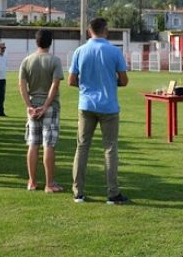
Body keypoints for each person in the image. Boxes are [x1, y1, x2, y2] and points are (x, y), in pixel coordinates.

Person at [69, 17, 129, 205]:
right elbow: (124, 80)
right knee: (110, 148)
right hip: (109, 106)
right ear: (106, 30)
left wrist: (87, 85)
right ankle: (112, 193)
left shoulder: (80, 51)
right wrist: (112, 83)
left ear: (89, 31)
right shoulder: (114, 51)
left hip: (86, 105)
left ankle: (78, 192)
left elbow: (71, 80)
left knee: (82, 147)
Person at [19, 29, 64, 193]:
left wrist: (28, 105)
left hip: (32, 105)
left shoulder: (27, 61)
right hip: (50, 106)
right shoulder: (54, 61)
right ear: (50, 42)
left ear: (36, 42)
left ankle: (31, 181)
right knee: (49, 145)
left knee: (33, 144)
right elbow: (55, 84)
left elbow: (22, 86)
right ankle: (49, 183)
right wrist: (46, 105)